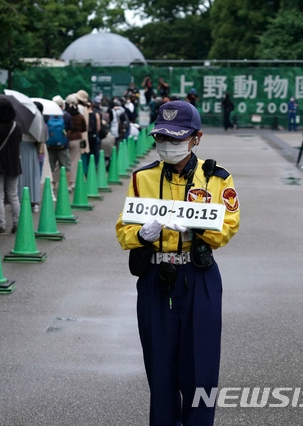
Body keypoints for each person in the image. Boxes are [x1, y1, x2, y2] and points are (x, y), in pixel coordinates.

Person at [115, 100, 240, 425]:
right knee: (160, 368)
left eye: (176, 139)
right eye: (161, 138)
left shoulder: (216, 178)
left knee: (201, 370)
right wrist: (142, 234)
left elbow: (228, 226)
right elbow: (123, 229)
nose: (167, 146)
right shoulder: (142, 178)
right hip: (157, 274)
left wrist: (200, 227)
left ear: (196, 137)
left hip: (198, 275)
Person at [0, 98, 22, 234]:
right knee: (13, 195)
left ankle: (1, 224)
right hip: (13, 165)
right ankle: (17, 222)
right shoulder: (17, 126)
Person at [65, 95, 86, 189]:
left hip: (65, 139)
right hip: (76, 139)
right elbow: (84, 128)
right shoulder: (80, 116)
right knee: (74, 161)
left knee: (63, 162)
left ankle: (57, 181)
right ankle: (71, 182)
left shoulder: (64, 115)